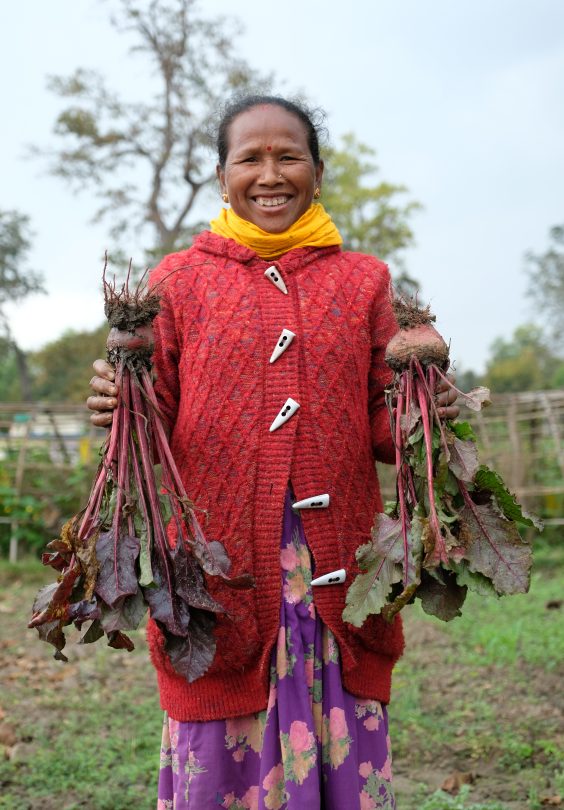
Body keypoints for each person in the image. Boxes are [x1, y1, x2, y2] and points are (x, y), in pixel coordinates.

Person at [88, 95, 458, 810]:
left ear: (317, 172)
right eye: (249, 159)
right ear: (221, 177)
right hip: (221, 565)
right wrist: (118, 400)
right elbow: (154, 424)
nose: (270, 174)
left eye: (288, 156)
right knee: (222, 735)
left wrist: (423, 409)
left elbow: (385, 433)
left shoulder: (364, 281)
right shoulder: (178, 283)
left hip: (338, 568)